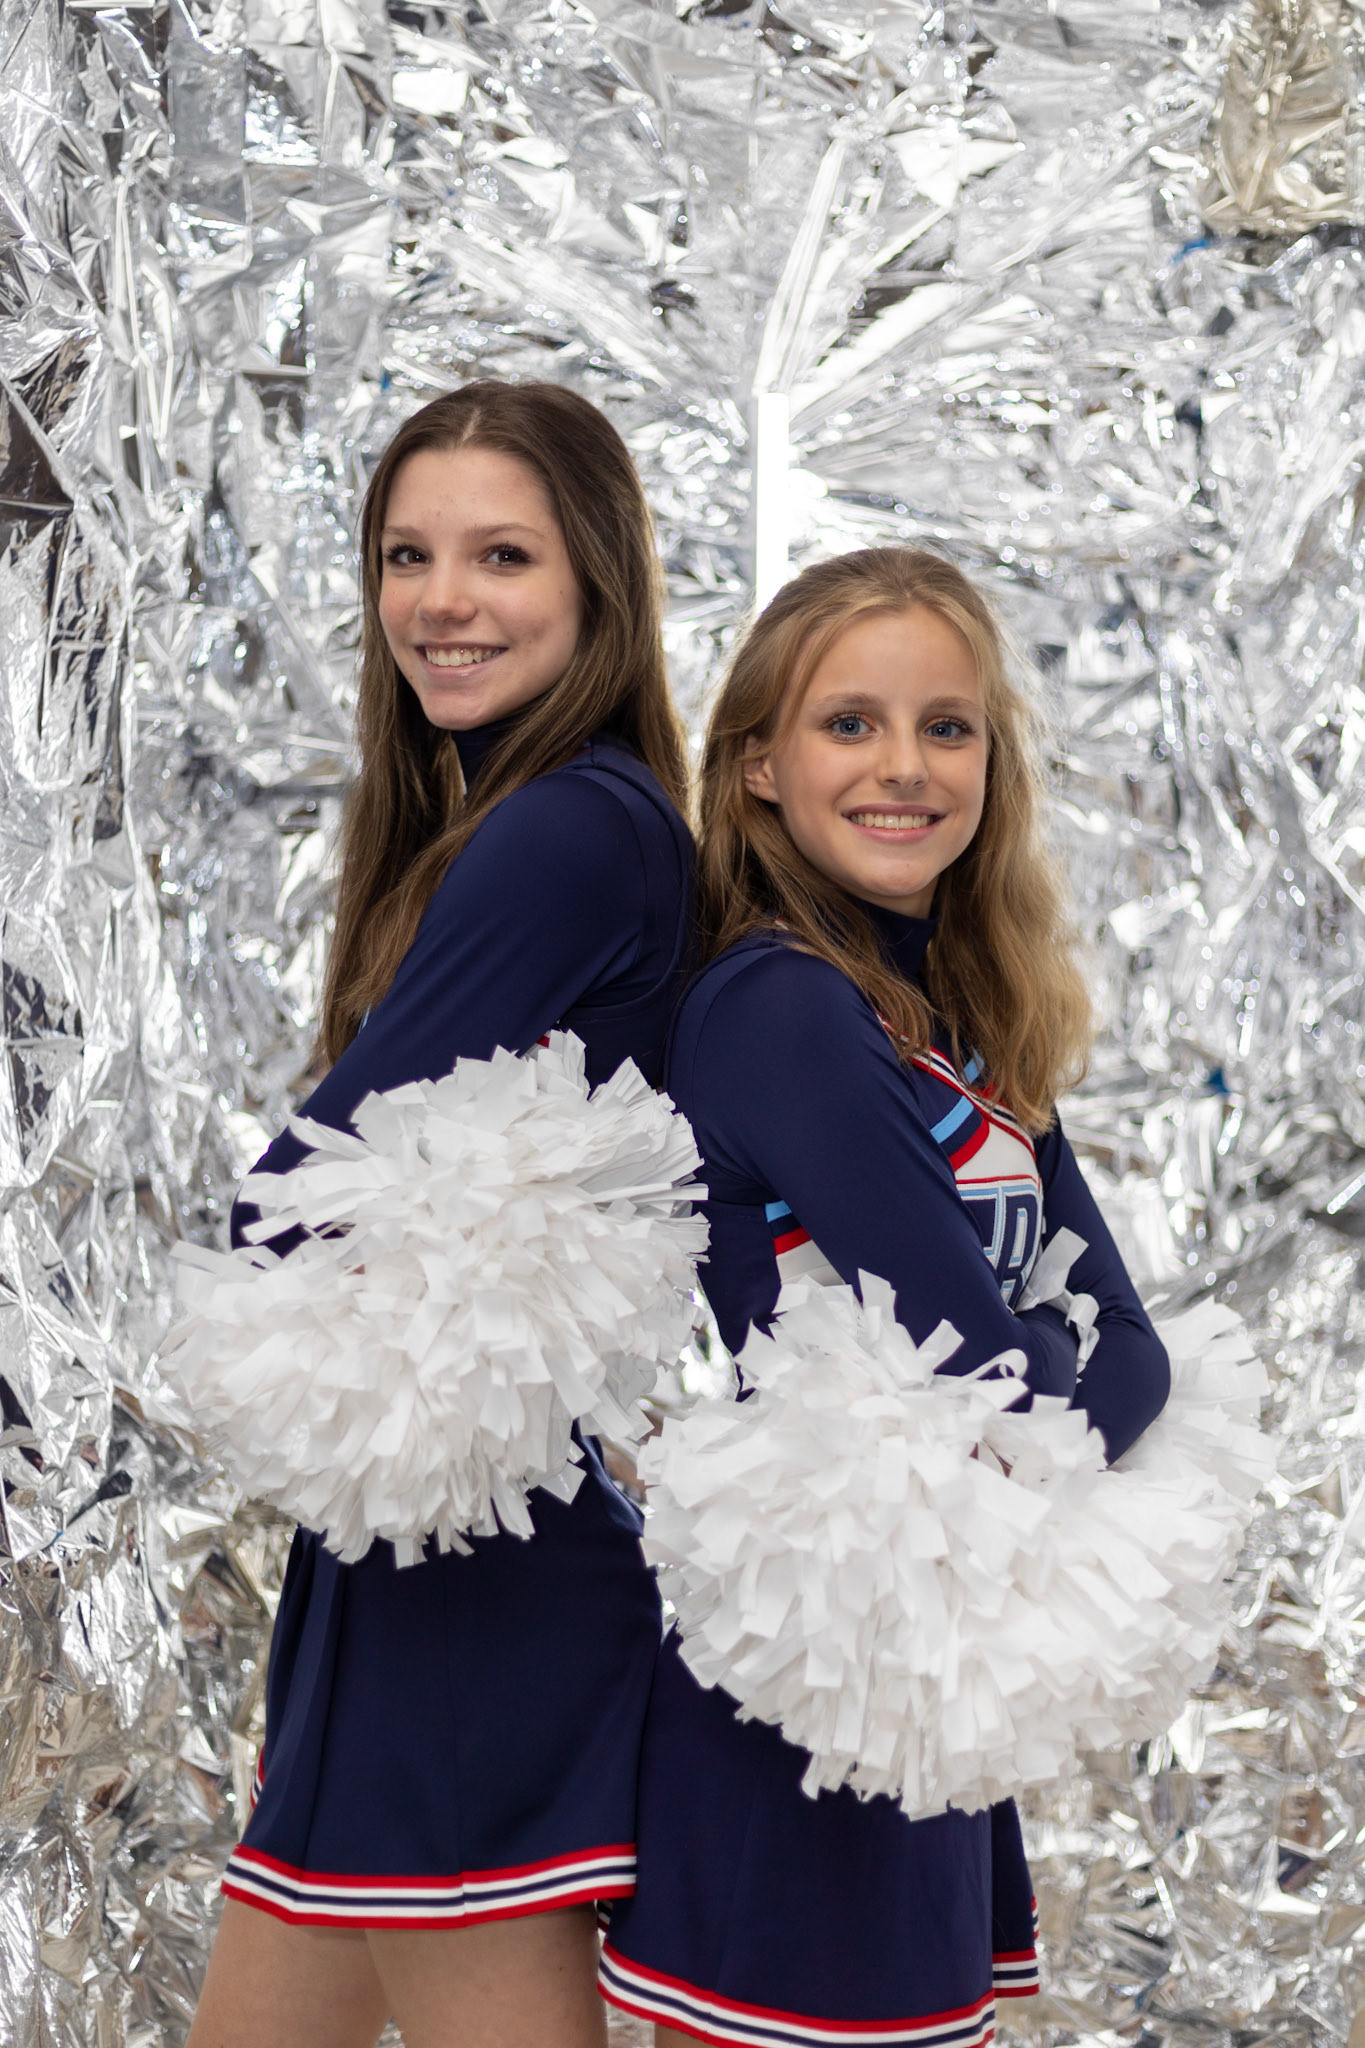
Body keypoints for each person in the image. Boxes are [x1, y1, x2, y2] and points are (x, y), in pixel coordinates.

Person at [598, 547, 1171, 2046]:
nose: (904, 766)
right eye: (848, 722)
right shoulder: (781, 1007)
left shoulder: (959, 1019)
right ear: (760, 765)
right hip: (810, 1683)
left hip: (926, 1664)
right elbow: (995, 1372)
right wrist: (1043, 1375)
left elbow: (1141, 1357)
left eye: (946, 725)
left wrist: (1037, 1389)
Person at [187, 381, 693, 2048]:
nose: (442, 600)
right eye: (407, 556)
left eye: (501, 555)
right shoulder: (513, 824)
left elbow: (301, 1193)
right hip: (410, 1576)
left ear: (597, 582)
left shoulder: (568, 830)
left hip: (482, 1593)